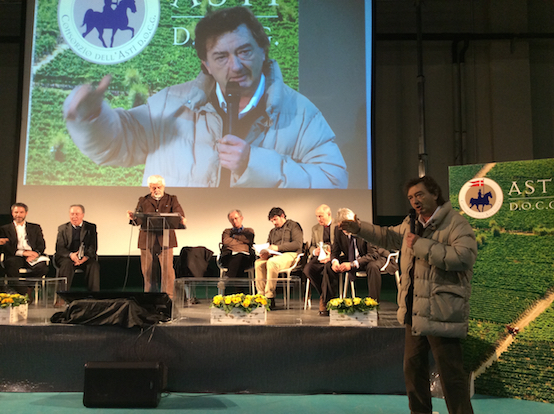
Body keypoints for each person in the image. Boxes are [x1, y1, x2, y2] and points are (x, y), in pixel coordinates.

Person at [63, 6, 348, 189]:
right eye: (221, 57)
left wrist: (254, 162)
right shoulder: (168, 104)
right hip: (181, 248)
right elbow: (115, 145)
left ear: (264, 50)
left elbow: (335, 182)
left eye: (245, 51)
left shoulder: (301, 113)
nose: (235, 66)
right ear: (206, 65)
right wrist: (92, 119)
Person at [340, 176, 477, 414]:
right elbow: (387, 236)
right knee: (413, 373)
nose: (415, 201)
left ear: (435, 194)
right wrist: (359, 228)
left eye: (420, 195)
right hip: (413, 310)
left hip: (441, 309)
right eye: (411, 197)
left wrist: (421, 245)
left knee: (451, 377)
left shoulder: (456, 223)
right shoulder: (410, 223)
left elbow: (464, 258)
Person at [127, 175, 186, 299]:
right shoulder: (143, 200)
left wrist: (182, 219)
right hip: (147, 240)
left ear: (163, 187)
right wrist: (133, 217)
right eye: (153, 187)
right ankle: (150, 298)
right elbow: (137, 220)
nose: (156, 190)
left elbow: (179, 215)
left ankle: (168, 298)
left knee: (167, 271)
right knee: (148, 272)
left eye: (158, 187)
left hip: (165, 239)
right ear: (149, 187)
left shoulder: (171, 199)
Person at [329, 208, 395, 307]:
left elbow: (372, 254)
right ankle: (331, 303)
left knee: (372, 266)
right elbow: (335, 251)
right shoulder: (338, 231)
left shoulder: (364, 230)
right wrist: (335, 262)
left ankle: (373, 305)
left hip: (376, 257)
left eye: (346, 226)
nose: (344, 230)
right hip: (354, 258)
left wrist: (352, 264)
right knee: (327, 266)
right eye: (341, 227)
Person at [255, 207, 303, 309]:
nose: (274, 223)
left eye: (275, 219)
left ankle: (269, 297)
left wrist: (278, 248)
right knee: (258, 263)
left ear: (282, 216)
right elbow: (269, 245)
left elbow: (297, 244)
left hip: (291, 254)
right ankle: (261, 295)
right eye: (272, 221)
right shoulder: (273, 231)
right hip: (275, 256)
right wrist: (265, 252)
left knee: (272, 263)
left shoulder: (293, 226)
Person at [0, 203, 49, 296]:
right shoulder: (4, 229)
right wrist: (23, 253)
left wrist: (36, 253)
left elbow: (41, 244)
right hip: (15, 255)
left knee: (43, 268)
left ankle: (28, 288)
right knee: (10, 266)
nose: (18, 215)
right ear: (12, 213)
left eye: (21, 212)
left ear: (26, 213)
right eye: (16, 212)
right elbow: (5, 246)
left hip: (32, 255)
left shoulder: (35, 227)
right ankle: (24, 293)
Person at [54, 204, 100, 292]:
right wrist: (71, 255)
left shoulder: (90, 228)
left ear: (83, 215)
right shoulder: (62, 228)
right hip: (67, 257)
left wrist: (84, 258)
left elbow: (92, 247)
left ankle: (93, 296)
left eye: (77, 214)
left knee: (93, 265)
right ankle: (62, 296)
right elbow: (59, 248)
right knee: (66, 265)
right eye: (72, 214)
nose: (74, 217)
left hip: (84, 257)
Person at [303, 204, 336, 316]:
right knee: (308, 269)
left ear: (329, 214)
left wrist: (331, 255)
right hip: (320, 256)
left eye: (321, 216)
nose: (318, 219)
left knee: (328, 267)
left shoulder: (338, 226)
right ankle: (325, 295)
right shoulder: (315, 228)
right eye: (317, 216)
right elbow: (312, 245)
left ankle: (324, 301)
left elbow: (343, 245)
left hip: (333, 256)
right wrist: (314, 251)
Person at [221, 209, 255, 278]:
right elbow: (226, 241)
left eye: (236, 218)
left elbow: (248, 240)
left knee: (240, 257)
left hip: (246, 257)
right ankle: (239, 288)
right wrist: (241, 242)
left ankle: (227, 278)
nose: (234, 221)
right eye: (231, 219)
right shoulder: (227, 231)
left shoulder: (249, 230)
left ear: (241, 218)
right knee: (238, 259)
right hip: (229, 256)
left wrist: (233, 238)